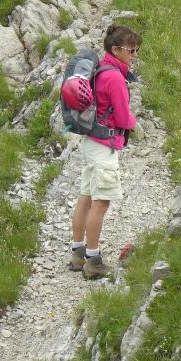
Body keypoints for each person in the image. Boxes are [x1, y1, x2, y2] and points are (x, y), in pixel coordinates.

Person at [69, 24, 140, 279]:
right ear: (116, 49)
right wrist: (134, 123)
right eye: (131, 50)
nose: (134, 54)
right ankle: (93, 260)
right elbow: (122, 118)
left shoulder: (100, 69)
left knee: (85, 197)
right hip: (103, 146)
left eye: (136, 49)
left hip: (89, 141)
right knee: (101, 203)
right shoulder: (115, 78)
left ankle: (77, 254)